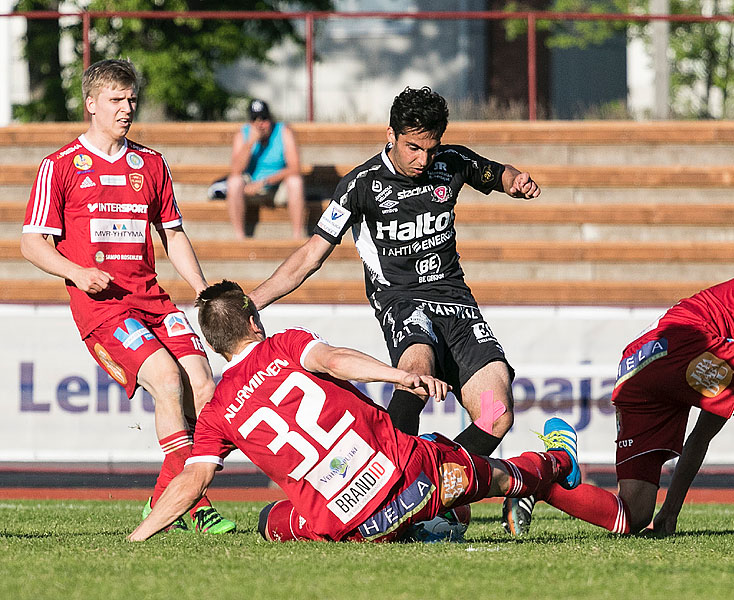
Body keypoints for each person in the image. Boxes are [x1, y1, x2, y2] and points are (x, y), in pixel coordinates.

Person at [126, 280, 600, 543]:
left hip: (353, 527)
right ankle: (555, 464)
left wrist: (140, 535)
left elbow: (193, 480)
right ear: (254, 320)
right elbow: (334, 360)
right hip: (414, 478)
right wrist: (400, 376)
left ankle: (429, 528)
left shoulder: (216, 412)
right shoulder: (286, 344)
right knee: (488, 470)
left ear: (212, 344)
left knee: (269, 522)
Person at [249, 87, 540, 462]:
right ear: (391, 135)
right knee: (416, 374)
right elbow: (310, 256)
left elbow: (499, 174)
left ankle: (432, 483)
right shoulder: (360, 185)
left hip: (455, 299)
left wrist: (517, 183)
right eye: (413, 148)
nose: (423, 159)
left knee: (496, 413)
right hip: (401, 300)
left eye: (431, 148)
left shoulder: (451, 162)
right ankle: (392, 481)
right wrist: (252, 301)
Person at [20, 58, 234, 534]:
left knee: (204, 383)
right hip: (102, 308)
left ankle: (164, 495)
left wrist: (203, 291)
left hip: (153, 300)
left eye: (131, 99)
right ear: (91, 104)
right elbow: (31, 243)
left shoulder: (151, 163)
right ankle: (192, 502)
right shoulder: (59, 166)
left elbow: (173, 235)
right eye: (115, 100)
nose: (126, 109)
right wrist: (76, 272)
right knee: (165, 378)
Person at [519, 274, 734, 538]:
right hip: (681, 346)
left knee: (632, 515)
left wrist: (670, 511)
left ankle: (535, 477)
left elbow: (700, 437)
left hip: (637, 367)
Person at [224, 99, 306, 240]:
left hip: (277, 187)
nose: (260, 124)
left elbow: (295, 167)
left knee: (295, 182)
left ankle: (297, 236)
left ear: (271, 118)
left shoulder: (283, 131)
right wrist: (250, 143)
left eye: (264, 119)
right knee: (234, 182)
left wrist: (264, 182)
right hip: (250, 188)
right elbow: (236, 170)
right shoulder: (242, 134)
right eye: (255, 119)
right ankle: (240, 238)